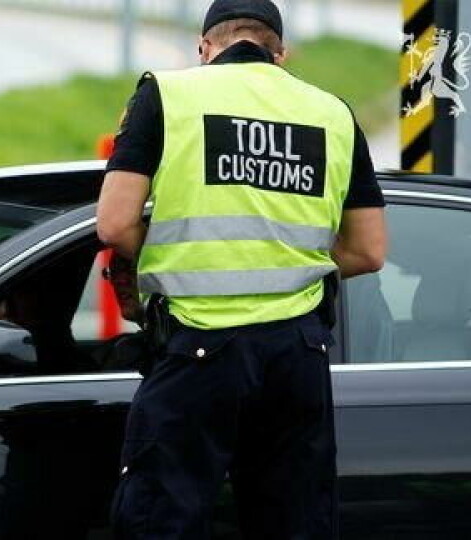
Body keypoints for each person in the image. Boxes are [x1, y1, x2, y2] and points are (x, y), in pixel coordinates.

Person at [96, 0, 388, 538]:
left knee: (162, 520)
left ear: (205, 49)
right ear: (281, 55)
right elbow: (369, 251)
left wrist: (173, 262)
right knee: (293, 523)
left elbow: (113, 225)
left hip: (198, 350)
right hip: (297, 356)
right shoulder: (332, 113)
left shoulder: (170, 94)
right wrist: (289, 270)